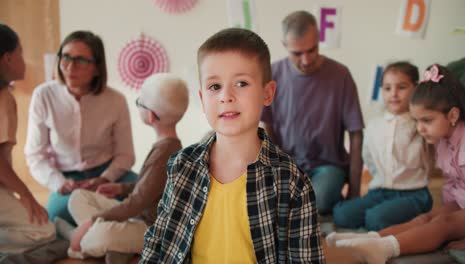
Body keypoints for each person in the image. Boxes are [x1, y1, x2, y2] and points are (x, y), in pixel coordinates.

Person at [140, 28, 324, 263]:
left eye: (241, 83)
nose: (226, 96)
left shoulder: (290, 181)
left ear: (267, 93)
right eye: (214, 87)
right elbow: (158, 246)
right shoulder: (182, 167)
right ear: (203, 98)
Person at [327, 64, 465, 264]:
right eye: (417, 121)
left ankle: (385, 249)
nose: (420, 128)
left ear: (453, 116)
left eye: (426, 121)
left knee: (444, 224)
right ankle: (370, 239)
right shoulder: (443, 141)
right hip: (462, 203)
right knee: (425, 219)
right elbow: (453, 187)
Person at [64, 73, 188, 263]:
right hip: (137, 215)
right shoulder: (168, 146)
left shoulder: (163, 155)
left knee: (97, 236)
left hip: (150, 229)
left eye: (140, 102)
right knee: (78, 198)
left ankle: (80, 237)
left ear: (151, 115)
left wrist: (93, 220)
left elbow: (137, 202)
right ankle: (116, 246)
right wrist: (122, 188)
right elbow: (150, 188)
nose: (137, 105)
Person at [24, 30, 137, 225]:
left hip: (108, 173)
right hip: (67, 179)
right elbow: (35, 156)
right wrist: (59, 183)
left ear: (97, 69)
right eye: (65, 57)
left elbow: (125, 154)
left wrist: (105, 178)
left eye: (80, 60)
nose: (69, 66)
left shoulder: (116, 100)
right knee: (58, 219)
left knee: (147, 198)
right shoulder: (44, 96)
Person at [261, 10, 364, 215]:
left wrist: (354, 190)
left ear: (319, 39)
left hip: (328, 166)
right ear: (284, 45)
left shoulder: (340, 75)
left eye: (312, 49)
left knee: (315, 202)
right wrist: (276, 170)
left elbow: (356, 134)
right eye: (297, 53)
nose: (306, 60)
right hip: (287, 166)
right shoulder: (272, 75)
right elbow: (268, 126)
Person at [332, 62, 433, 231]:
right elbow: (369, 160)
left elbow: (429, 162)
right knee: (341, 214)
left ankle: (413, 218)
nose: (393, 94)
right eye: (387, 88)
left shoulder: (420, 125)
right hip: (380, 192)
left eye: (401, 87)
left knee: (375, 218)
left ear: (415, 88)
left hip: (413, 193)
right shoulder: (374, 126)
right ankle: (382, 216)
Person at [0, 23, 55, 253]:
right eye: (21, 52)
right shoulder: (4, 99)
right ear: (8, 59)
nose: (25, 59)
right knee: (46, 231)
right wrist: (26, 195)